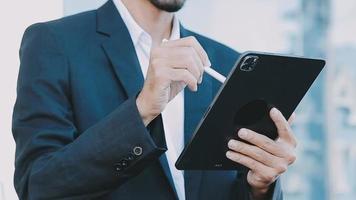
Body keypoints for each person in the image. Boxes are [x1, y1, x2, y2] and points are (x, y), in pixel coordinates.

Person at [12, 0, 297, 199]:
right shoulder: (55, 43)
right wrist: (142, 110)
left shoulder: (226, 62)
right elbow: (38, 187)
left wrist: (261, 188)